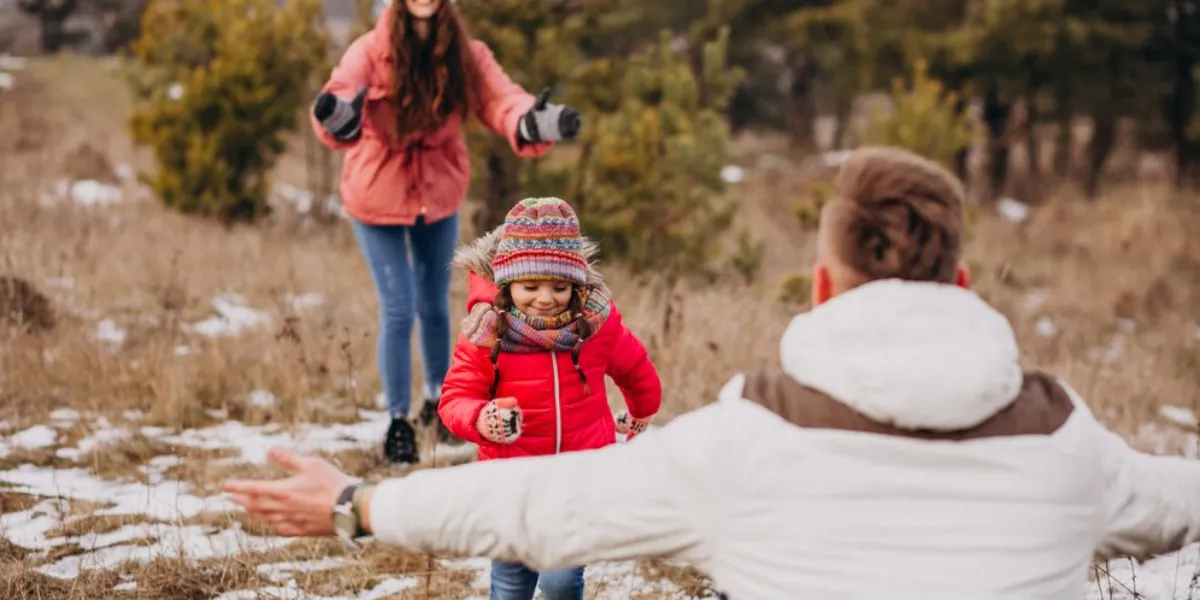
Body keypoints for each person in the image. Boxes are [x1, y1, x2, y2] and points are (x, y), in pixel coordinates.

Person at [224, 146, 1200, 599]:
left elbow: (546, 507)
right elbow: (1180, 499)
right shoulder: (1072, 444)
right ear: (965, 280)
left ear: (819, 285)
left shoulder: (747, 441)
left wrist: (358, 507)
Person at [310, 0, 581, 465]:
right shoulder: (370, 51)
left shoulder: (465, 53)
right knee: (398, 309)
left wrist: (531, 122)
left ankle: (440, 404)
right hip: (377, 195)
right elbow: (341, 91)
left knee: (435, 306)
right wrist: (336, 114)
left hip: (437, 195)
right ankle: (398, 422)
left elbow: (501, 100)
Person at [434, 196, 661, 599]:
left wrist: (642, 412)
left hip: (577, 479)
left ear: (577, 284)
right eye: (530, 286)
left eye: (559, 286)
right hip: (510, 482)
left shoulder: (595, 326)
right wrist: (481, 418)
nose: (544, 298)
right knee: (511, 583)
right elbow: (455, 396)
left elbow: (636, 368)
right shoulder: (488, 334)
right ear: (507, 284)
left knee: (560, 581)